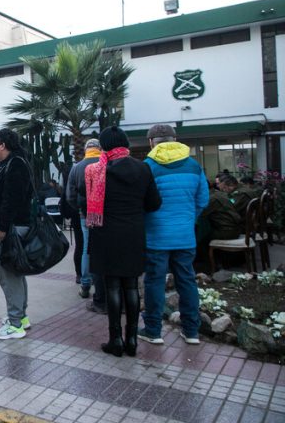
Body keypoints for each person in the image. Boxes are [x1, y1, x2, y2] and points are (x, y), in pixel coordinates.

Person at [83, 126, 162, 357]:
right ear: (125, 144)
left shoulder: (96, 170)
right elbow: (154, 203)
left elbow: (85, 201)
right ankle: (133, 340)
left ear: (104, 146)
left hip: (106, 233)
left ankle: (115, 339)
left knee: (112, 286)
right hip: (134, 233)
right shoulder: (143, 168)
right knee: (131, 286)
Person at [141, 124, 209, 346]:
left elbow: (141, 202)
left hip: (156, 236)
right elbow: (202, 201)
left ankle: (153, 330)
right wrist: (188, 219)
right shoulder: (194, 166)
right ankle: (191, 331)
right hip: (185, 235)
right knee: (187, 280)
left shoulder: (148, 166)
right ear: (175, 139)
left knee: (154, 282)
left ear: (152, 142)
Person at [0, 128, 34, 339]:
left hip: (10, 230)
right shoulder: (10, 163)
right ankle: (20, 317)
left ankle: (15, 324)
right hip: (10, 228)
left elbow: (11, 199)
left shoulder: (16, 164)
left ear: (3, 144)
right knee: (15, 273)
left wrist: (2, 228)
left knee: (9, 276)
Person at [66, 138, 106, 308]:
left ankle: (85, 284)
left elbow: (70, 195)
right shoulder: (106, 164)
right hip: (106, 214)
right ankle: (103, 284)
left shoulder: (77, 168)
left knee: (87, 248)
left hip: (85, 214)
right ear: (99, 148)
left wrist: (80, 209)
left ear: (86, 150)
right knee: (105, 247)